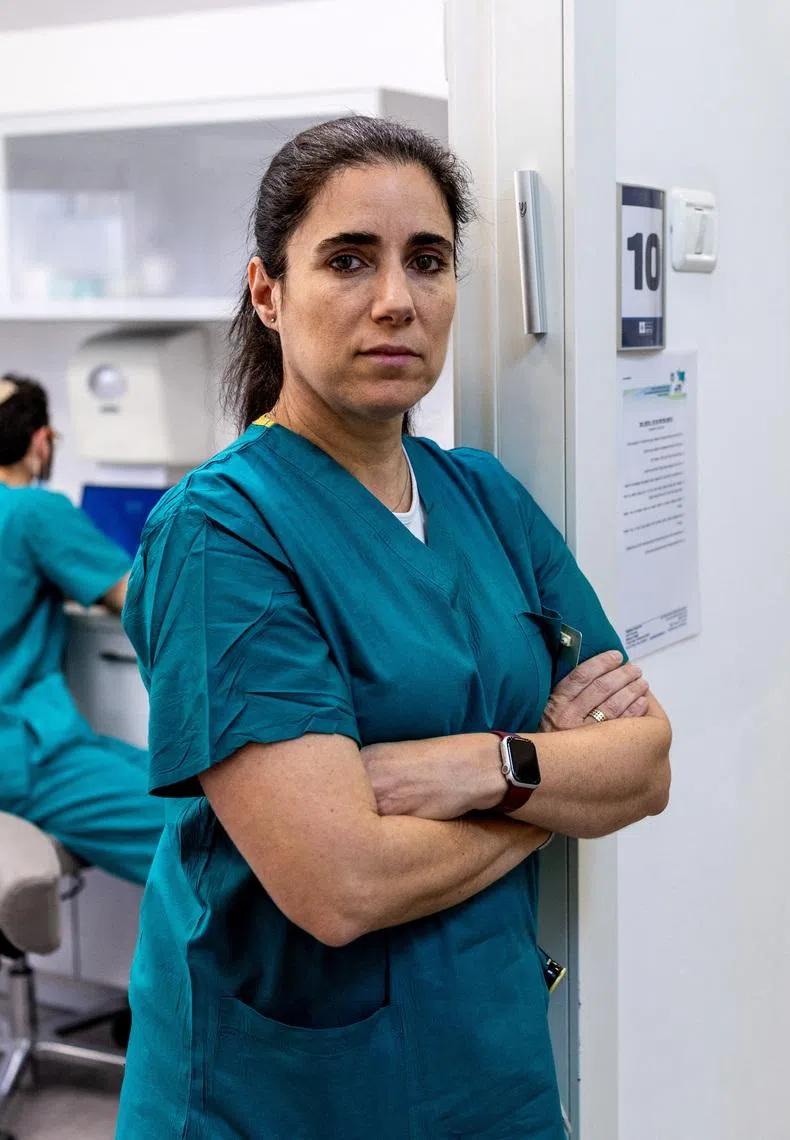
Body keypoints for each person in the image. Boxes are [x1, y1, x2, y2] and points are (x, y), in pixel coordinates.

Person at [116, 116, 671, 1139]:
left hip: (489, 1057)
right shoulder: (221, 534)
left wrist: (476, 765)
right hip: (287, 1091)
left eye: (428, 260)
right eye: (348, 260)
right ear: (268, 293)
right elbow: (341, 884)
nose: (395, 301)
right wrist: (556, 782)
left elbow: (646, 767)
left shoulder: (487, 498)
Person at [0, 375, 163, 885]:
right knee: (204, 832)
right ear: (41, 442)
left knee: (176, 780)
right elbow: (137, 598)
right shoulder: (32, 510)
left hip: (38, 744)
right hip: (22, 753)